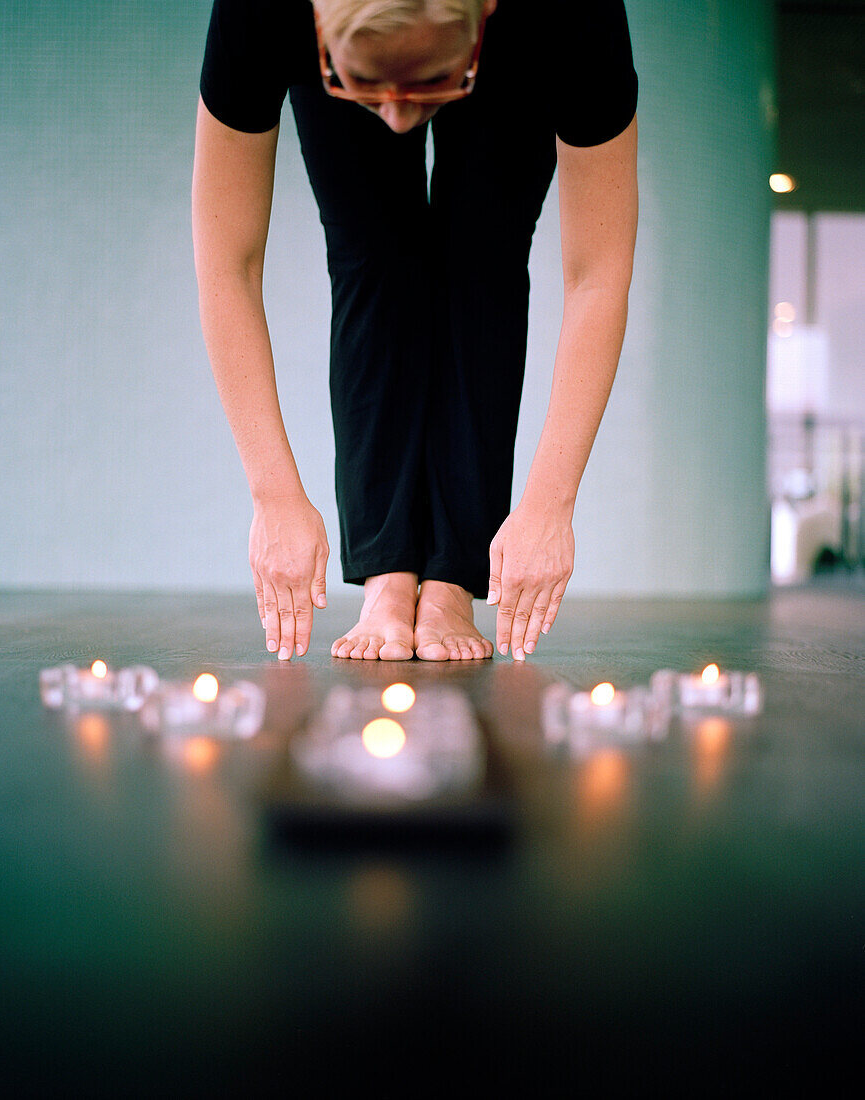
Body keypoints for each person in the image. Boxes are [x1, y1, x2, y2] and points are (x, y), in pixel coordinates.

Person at [192, 0, 638, 662]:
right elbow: (230, 260)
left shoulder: (569, 15)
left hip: (519, 41)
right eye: (365, 87)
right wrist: (274, 494)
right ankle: (388, 575)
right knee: (373, 252)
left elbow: (596, 274)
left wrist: (549, 504)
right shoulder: (262, 10)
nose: (397, 119)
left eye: (429, 86)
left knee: (481, 252)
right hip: (353, 46)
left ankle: (452, 580)